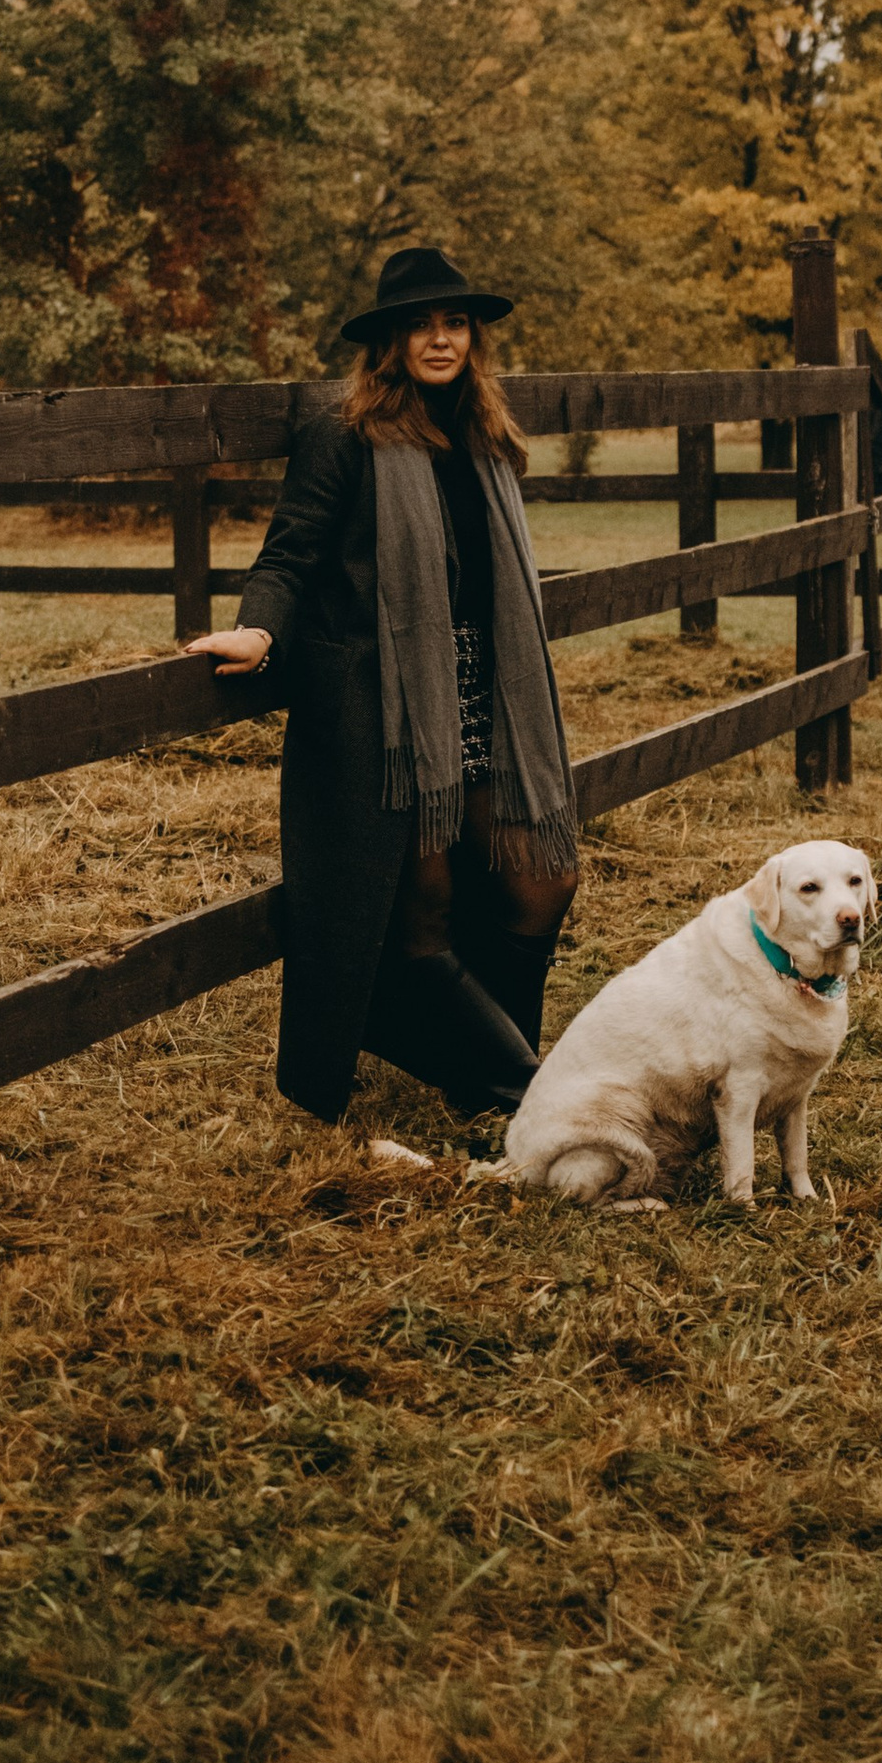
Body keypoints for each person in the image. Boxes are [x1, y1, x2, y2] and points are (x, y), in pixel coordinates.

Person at [193, 245, 580, 1124]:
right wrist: (259, 628)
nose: (440, 339)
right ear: (390, 341)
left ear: (472, 337)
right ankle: (514, 1097)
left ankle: (494, 1075)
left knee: (540, 881)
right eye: (420, 325)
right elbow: (291, 550)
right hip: (392, 707)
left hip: (483, 693)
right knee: (425, 906)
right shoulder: (347, 433)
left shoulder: (483, 435)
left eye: (454, 324)